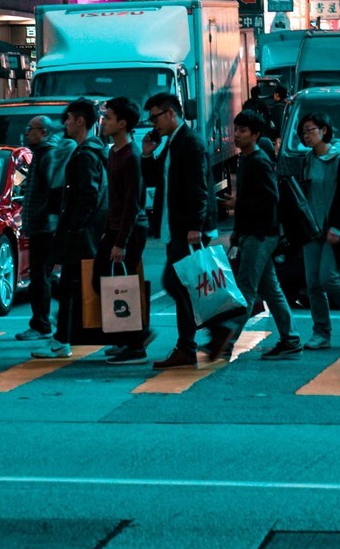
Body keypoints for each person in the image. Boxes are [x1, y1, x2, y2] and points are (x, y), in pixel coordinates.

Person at [216, 110, 299, 360]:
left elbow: (270, 199)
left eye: (243, 131)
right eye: (236, 130)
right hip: (253, 233)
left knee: (246, 289)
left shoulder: (259, 161)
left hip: (261, 235)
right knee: (271, 289)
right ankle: (291, 339)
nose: (237, 136)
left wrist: (238, 204)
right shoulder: (246, 159)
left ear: (256, 134)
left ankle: (226, 343)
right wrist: (237, 230)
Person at [141, 92, 216, 370]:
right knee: (181, 285)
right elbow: (155, 181)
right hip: (176, 229)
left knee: (176, 283)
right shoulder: (173, 143)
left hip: (187, 229)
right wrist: (148, 154)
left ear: (171, 113)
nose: (153, 123)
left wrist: (196, 225)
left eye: (155, 117)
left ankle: (207, 333)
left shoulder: (190, 142)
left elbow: (200, 188)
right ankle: (192, 343)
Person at [33, 99, 107, 359]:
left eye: (69, 118)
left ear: (80, 121)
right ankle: (64, 337)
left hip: (83, 233)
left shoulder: (85, 154)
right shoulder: (88, 151)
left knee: (76, 285)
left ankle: (133, 335)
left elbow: (88, 196)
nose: (64, 123)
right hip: (85, 232)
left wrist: (74, 229)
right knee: (73, 286)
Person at [296, 111, 340, 351]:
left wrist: (336, 226)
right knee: (312, 283)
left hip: (332, 229)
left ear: (324, 130)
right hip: (311, 228)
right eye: (303, 131)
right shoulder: (308, 159)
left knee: (328, 277)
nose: (306, 135)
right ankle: (321, 333)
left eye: (311, 130)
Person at [95, 96, 151, 364]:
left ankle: (136, 342)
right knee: (105, 281)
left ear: (123, 123)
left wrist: (121, 241)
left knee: (122, 285)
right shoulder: (112, 152)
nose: (104, 121)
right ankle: (128, 337)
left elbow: (133, 203)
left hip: (130, 229)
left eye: (108, 117)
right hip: (115, 228)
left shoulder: (132, 156)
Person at [15, 115, 73, 343]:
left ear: (45, 133)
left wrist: (45, 217)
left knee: (40, 276)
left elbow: (53, 189)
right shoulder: (41, 155)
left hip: (44, 228)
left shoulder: (47, 156)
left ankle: (42, 324)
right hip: (40, 226)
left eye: (32, 129)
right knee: (42, 276)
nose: (27, 133)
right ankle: (52, 317)